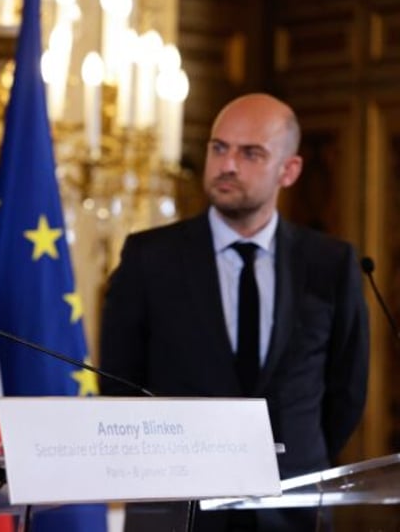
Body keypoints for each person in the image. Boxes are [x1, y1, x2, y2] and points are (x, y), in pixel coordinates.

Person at [99, 93, 369, 531]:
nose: (227, 165)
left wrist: (292, 457)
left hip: (293, 509)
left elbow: (346, 393)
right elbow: (118, 386)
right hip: (179, 508)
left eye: (251, 153)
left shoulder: (330, 265)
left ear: (290, 170)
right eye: (218, 148)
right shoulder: (150, 258)